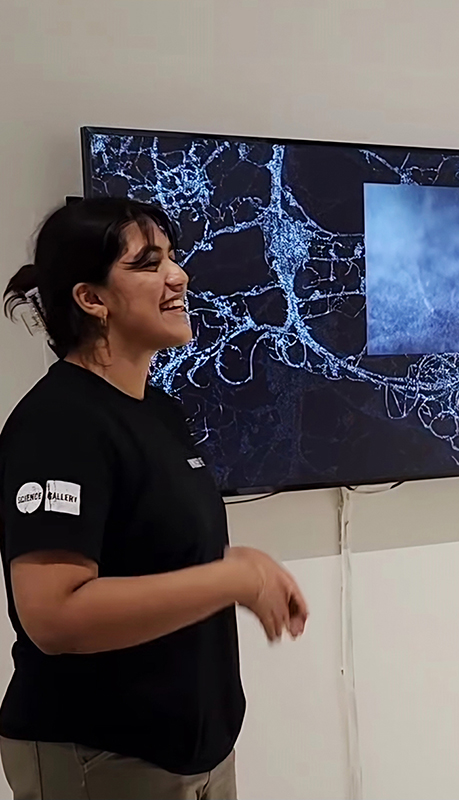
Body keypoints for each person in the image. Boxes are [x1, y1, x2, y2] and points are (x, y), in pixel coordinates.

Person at [0, 197, 308, 800]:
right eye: (148, 263)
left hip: (192, 754)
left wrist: (237, 573)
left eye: (172, 257)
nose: (178, 276)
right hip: (103, 757)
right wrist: (230, 577)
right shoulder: (59, 425)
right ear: (91, 298)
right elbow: (53, 617)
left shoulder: (157, 410)